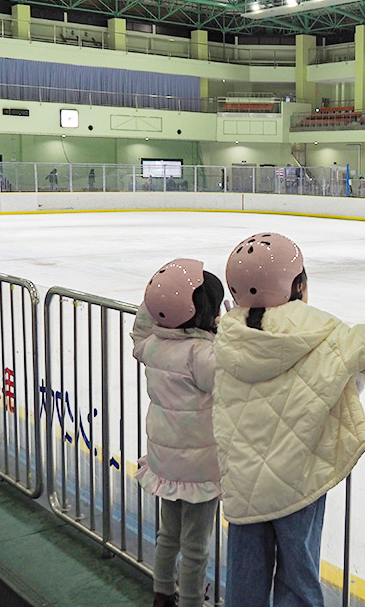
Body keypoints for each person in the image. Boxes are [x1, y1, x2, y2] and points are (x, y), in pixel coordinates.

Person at [213, 233, 365, 607]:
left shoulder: (229, 334)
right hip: (298, 483)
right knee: (298, 576)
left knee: (244, 577)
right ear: (297, 284)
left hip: (241, 481)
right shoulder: (321, 331)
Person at [131, 260, 225, 607]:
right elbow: (230, 374)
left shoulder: (154, 347)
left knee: (168, 535)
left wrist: (153, 300)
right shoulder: (200, 354)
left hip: (165, 463)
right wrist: (231, 331)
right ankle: (189, 601)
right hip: (199, 469)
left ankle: (162, 594)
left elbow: (141, 332)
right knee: (196, 546)